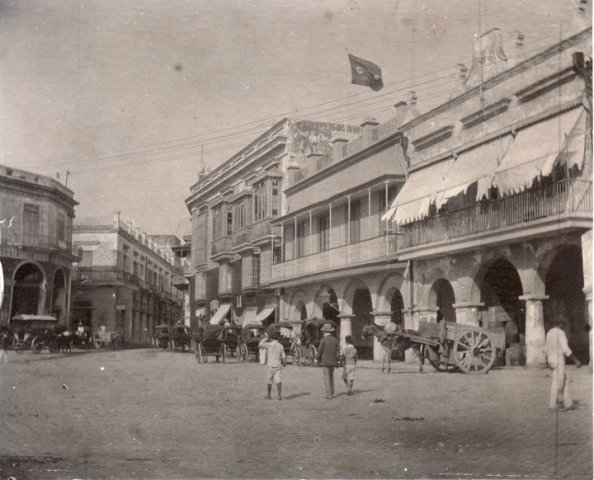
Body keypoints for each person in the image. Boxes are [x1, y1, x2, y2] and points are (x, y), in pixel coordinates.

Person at [545, 319, 582, 411]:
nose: (564, 327)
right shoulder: (560, 333)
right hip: (558, 358)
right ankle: (553, 404)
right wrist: (576, 360)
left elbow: (546, 348)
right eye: (564, 325)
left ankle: (568, 403)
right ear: (560, 324)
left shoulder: (549, 333)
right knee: (558, 381)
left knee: (565, 380)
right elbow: (565, 349)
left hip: (551, 358)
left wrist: (548, 361)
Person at [258, 331, 286, 400]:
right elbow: (284, 357)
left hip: (270, 365)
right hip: (278, 365)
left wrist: (265, 338)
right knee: (278, 380)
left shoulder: (269, 344)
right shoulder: (280, 346)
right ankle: (279, 395)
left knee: (269, 380)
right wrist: (284, 363)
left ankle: (269, 395)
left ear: (271, 338)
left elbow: (260, 345)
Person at [317, 323, 340, 399]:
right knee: (331, 376)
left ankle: (329, 394)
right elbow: (337, 351)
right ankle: (332, 392)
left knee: (326, 377)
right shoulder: (335, 340)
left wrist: (317, 358)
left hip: (325, 361)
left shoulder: (323, 340)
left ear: (324, 332)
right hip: (333, 361)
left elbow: (320, 351)